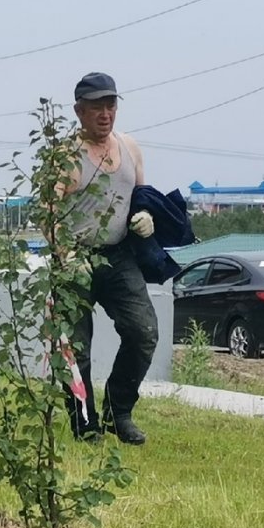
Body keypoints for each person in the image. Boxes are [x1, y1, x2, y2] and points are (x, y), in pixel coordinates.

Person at [61, 71, 159, 445]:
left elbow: (142, 193)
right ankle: (85, 426)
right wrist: (65, 253)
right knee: (75, 348)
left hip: (118, 255)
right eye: (97, 107)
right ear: (79, 111)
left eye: (111, 105)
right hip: (74, 259)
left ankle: (119, 412)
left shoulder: (129, 147)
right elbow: (46, 211)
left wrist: (146, 215)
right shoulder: (64, 155)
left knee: (143, 331)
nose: (105, 113)